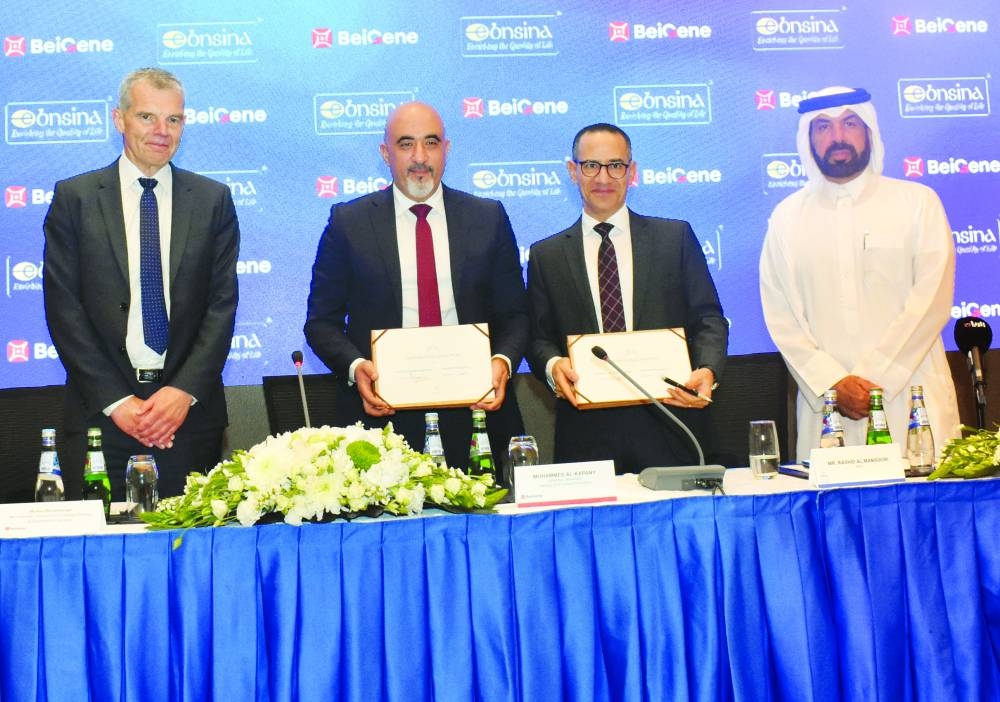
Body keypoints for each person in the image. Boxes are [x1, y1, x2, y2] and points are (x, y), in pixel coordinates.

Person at [43, 67, 240, 500]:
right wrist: (118, 402)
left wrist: (181, 392)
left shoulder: (212, 201)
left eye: (174, 119)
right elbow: (64, 310)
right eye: (147, 117)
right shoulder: (75, 198)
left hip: (186, 420)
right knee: (101, 561)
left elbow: (221, 306)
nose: (162, 131)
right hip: (102, 415)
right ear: (119, 120)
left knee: (191, 558)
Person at [305, 101, 529, 470]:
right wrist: (357, 366)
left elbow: (516, 315)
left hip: (476, 414)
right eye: (406, 144)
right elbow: (320, 323)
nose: (420, 157)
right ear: (385, 153)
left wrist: (501, 362)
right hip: (382, 419)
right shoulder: (349, 222)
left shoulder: (488, 217)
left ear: (447, 149)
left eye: (432, 143)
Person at [759, 86, 960, 461]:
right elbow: (781, 316)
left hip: (912, 398)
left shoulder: (917, 202)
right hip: (828, 409)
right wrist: (833, 384)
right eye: (823, 127)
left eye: (850, 123)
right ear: (808, 138)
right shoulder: (787, 217)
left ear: (868, 130)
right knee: (835, 518)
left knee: (924, 513)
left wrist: (873, 382)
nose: (837, 137)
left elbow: (930, 302)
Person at [526, 123, 728, 473]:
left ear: (631, 172)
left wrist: (707, 369)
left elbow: (709, 318)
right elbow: (537, 335)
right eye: (591, 165)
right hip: (586, 436)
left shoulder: (674, 238)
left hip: (671, 425)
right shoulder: (548, 255)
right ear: (573, 171)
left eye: (615, 165)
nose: (603, 177)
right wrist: (551, 365)